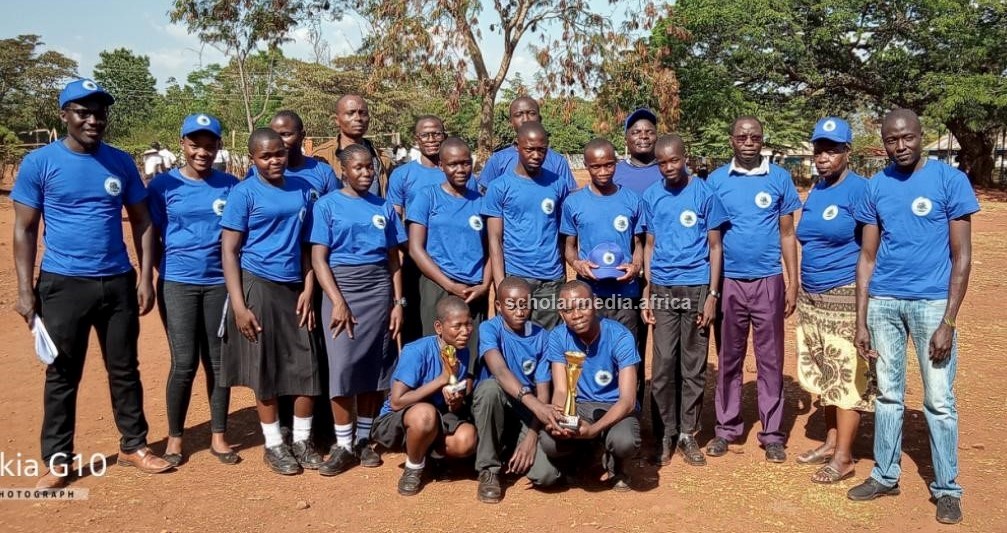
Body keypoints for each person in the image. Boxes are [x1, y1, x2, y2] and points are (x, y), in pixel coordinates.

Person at [13, 79, 172, 490]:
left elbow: (142, 220)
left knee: (124, 369)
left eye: (99, 112)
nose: (92, 119)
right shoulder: (40, 163)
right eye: (82, 112)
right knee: (62, 373)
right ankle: (58, 460)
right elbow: (25, 229)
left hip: (117, 282)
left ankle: (134, 446)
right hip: (63, 284)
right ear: (64, 115)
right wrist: (25, 289)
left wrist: (145, 276)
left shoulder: (120, 163)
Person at [846, 109, 978, 525]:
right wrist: (861, 318)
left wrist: (949, 321)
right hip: (884, 303)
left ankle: (947, 488)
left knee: (938, 400)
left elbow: (963, 257)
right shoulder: (876, 186)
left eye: (907, 138)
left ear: (922, 136)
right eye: (891, 140)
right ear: (882, 142)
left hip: (931, 305)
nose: (900, 146)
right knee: (887, 394)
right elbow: (866, 257)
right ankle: (885, 475)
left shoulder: (948, 181)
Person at [219, 128, 323, 476]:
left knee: (306, 364)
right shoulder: (243, 193)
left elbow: (308, 245)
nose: (274, 160)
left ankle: (302, 440)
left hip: (295, 287)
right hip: (258, 285)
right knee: (264, 367)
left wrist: (309, 287)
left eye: (278, 153)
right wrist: (238, 304)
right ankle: (274, 444)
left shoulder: (303, 191)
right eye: (266, 156)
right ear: (253, 159)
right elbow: (230, 251)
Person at [706, 116, 801, 463]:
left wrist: (793, 282)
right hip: (729, 282)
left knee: (770, 359)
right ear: (731, 140)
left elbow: (787, 233)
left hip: (768, 281)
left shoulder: (779, 178)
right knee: (729, 358)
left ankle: (772, 434)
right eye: (742, 136)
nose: (748, 141)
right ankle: (726, 429)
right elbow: (710, 238)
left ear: (762, 141)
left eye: (755, 136)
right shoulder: (716, 181)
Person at [147, 113, 240, 467]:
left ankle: (219, 435)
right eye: (195, 144)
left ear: (218, 146)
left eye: (209, 144)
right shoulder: (162, 186)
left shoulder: (230, 185)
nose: (202, 151)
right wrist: (166, 273)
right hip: (178, 285)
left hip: (219, 284)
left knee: (218, 363)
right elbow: (150, 236)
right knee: (183, 363)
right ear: (182, 144)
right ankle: (175, 437)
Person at [310, 144, 406, 476]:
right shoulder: (327, 206)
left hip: (379, 290)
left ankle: (364, 440)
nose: (366, 173)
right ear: (344, 171)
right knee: (343, 368)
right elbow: (318, 259)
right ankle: (343, 443)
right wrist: (337, 300)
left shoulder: (384, 208)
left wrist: (397, 303)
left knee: (374, 368)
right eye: (359, 168)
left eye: (371, 168)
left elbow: (394, 259)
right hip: (342, 291)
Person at [793, 117, 876, 484]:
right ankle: (830, 443)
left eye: (832, 149)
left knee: (847, 377)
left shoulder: (861, 190)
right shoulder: (818, 190)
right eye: (819, 150)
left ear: (847, 152)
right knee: (825, 373)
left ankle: (844, 457)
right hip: (812, 298)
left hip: (844, 295)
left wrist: (863, 310)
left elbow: (872, 252)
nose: (823, 157)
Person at [641, 134, 727, 467]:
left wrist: (712, 295)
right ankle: (665, 433)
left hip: (696, 288)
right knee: (662, 366)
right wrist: (648, 288)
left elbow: (716, 247)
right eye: (662, 162)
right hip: (662, 288)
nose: (668, 167)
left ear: (685, 157)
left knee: (693, 368)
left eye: (673, 160)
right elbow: (649, 245)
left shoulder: (705, 193)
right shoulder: (651, 196)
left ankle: (688, 434)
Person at [267, 109, 341, 441]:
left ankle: (320, 421)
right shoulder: (265, 175)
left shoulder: (321, 173)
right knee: (281, 347)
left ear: (301, 135)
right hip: (278, 272)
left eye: (288, 134)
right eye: (276, 134)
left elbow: (335, 214)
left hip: (315, 268)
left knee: (315, 345)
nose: (282, 141)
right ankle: (283, 420)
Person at [531, 281, 641, 491]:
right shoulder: (558, 336)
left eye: (583, 305)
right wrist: (561, 418)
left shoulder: (621, 336)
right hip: (579, 405)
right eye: (568, 310)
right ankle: (582, 456)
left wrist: (593, 430)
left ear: (595, 304)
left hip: (614, 406)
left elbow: (628, 400)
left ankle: (617, 465)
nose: (577, 314)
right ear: (561, 314)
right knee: (549, 441)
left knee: (624, 441)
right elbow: (562, 390)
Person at [370, 296, 478, 496]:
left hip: (436, 418)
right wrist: (442, 379)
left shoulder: (461, 352)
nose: (465, 332)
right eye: (457, 326)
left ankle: (432, 458)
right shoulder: (417, 351)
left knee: (467, 439)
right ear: (439, 327)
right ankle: (414, 467)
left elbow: (452, 406)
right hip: (398, 419)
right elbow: (396, 401)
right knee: (424, 414)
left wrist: (455, 401)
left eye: (469, 324)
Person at [471, 277, 558, 503]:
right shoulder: (489, 328)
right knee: (490, 388)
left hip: (525, 414)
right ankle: (489, 469)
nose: (519, 311)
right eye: (511, 305)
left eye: (524, 304)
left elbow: (543, 390)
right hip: (498, 403)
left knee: (546, 476)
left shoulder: (541, 336)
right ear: (499, 306)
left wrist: (531, 436)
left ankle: (512, 446)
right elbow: (499, 370)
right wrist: (535, 405)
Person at [407, 137, 491, 363]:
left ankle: (467, 397)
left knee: (470, 355)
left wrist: (484, 285)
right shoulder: (427, 197)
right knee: (436, 352)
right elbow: (415, 248)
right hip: (437, 286)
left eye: (465, 163)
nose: (460, 169)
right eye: (453, 164)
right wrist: (449, 285)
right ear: (441, 166)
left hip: (473, 291)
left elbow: (491, 249)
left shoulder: (481, 202)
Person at [483, 122, 572, 329]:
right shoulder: (499, 187)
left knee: (549, 341)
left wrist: (563, 278)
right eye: (529, 149)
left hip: (551, 279)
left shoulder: (558, 184)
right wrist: (501, 286)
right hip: (516, 277)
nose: (536, 155)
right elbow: (495, 241)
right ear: (517, 146)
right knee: (518, 340)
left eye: (541, 150)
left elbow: (563, 235)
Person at [477, 96, 577, 190]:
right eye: (518, 115)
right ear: (510, 122)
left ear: (540, 118)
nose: (525, 119)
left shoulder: (557, 162)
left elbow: (569, 199)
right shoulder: (497, 160)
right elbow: (483, 196)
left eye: (531, 113)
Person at [268, 110, 341, 200]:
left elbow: (336, 210)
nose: (279, 141)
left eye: (285, 135)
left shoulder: (324, 173)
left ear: (302, 135)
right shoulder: (259, 173)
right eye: (274, 136)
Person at [330, 94, 385, 196]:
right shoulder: (321, 157)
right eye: (351, 113)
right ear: (337, 120)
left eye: (363, 113)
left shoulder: (382, 158)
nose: (358, 118)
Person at [613, 108, 662, 195]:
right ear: (625, 140)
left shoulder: (673, 170)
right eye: (636, 132)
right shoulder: (613, 174)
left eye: (650, 132)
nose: (643, 136)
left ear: (657, 137)